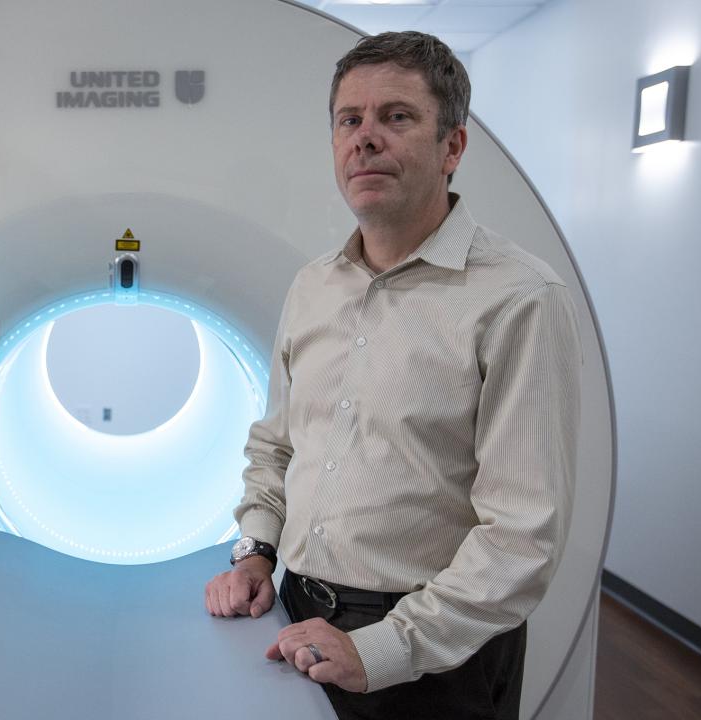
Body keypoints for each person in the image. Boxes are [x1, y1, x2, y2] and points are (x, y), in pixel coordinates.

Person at [204, 31, 581, 720]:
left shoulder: (518, 298)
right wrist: (255, 552)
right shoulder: (313, 287)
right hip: (295, 617)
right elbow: (277, 448)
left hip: (435, 657)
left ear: (452, 147)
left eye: (396, 117)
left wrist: (382, 648)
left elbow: (521, 535)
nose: (365, 138)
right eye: (349, 120)